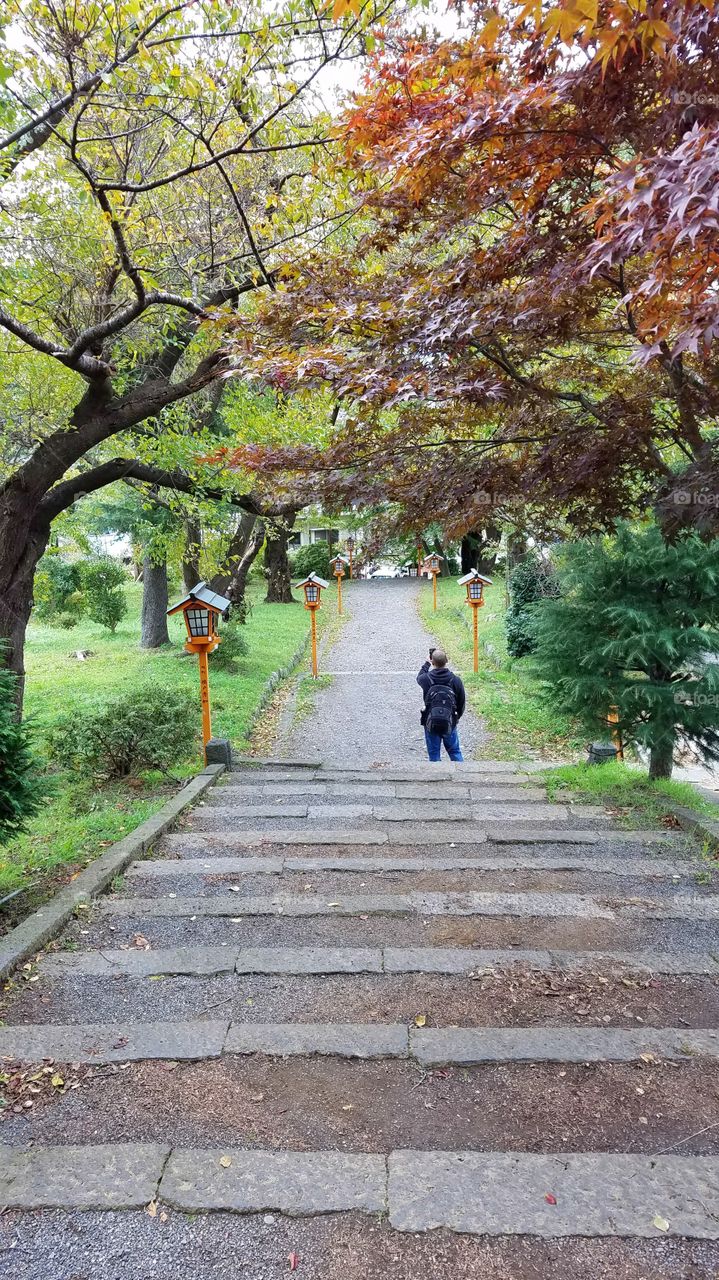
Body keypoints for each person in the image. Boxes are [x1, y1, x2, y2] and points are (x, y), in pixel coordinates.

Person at [417, 647, 466, 762]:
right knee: (454, 751)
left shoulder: (426, 679)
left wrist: (426, 664)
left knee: (434, 755)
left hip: (430, 721)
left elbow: (419, 677)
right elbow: (461, 703)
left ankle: (437, 777)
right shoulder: (455, 680)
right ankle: (462, 776)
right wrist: (456, 718)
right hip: (450, 720)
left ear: (432, 662)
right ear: (447, 660)